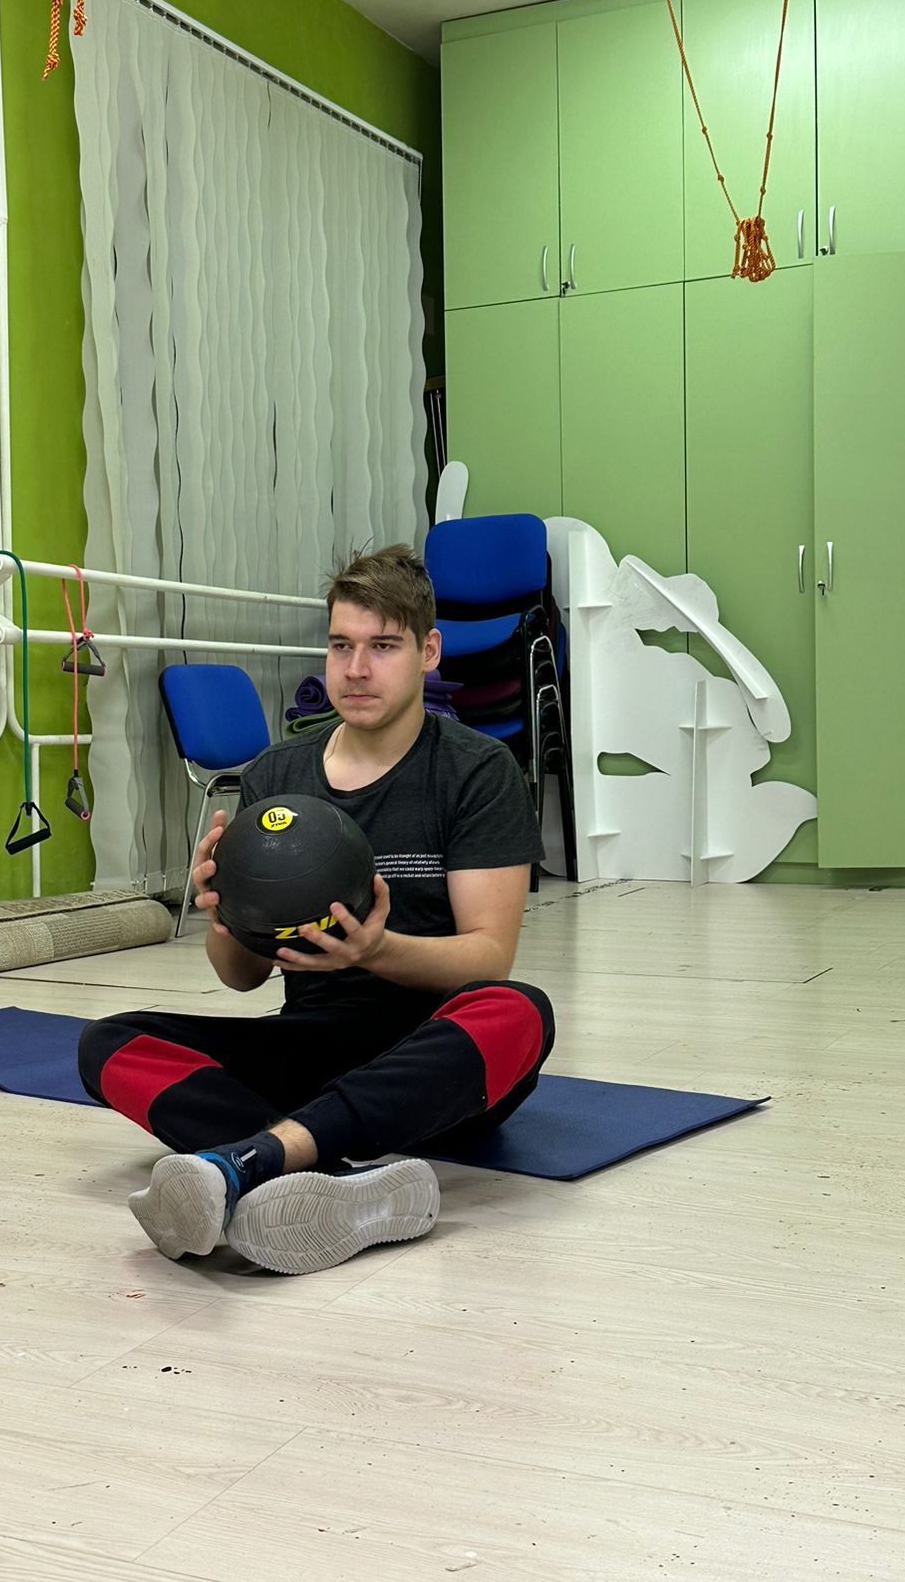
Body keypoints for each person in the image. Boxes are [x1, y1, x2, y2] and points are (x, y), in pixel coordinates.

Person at [78, 544, 554, 1275]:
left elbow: (488, 957)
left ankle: (255, 1158)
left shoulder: (476, 771)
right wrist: (222, 913)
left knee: (520, 1010)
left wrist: (376, 951)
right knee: (108, 1042)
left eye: (382, 647)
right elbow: (241, 976)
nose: (356, 669)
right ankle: (330, 1179)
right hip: (312, 1047)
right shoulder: (277, 773)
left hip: (433, 1058)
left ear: (428, 652)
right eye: (341, 645)